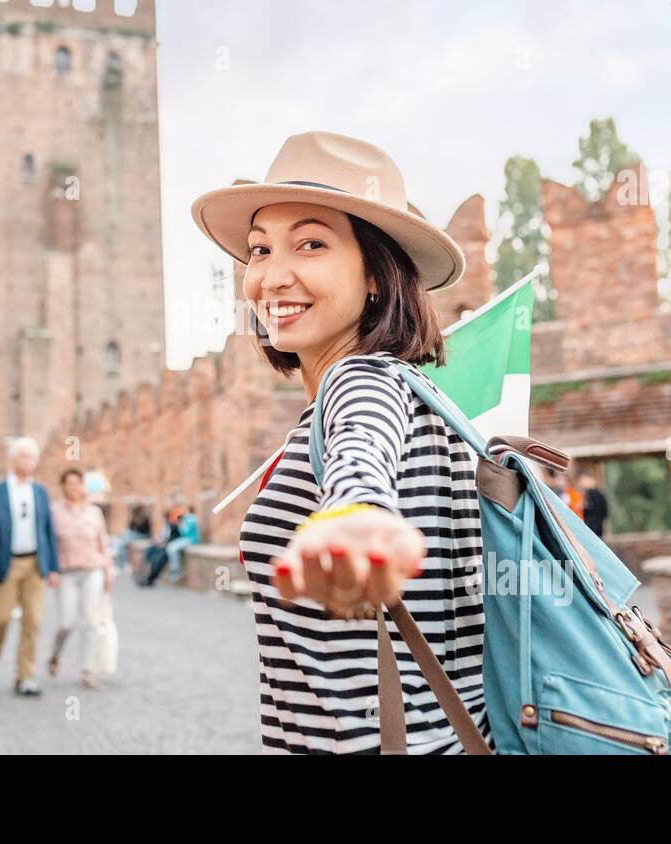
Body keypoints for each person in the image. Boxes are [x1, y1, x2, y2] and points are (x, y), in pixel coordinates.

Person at [190, 130, 494, 753]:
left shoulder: (361, 382)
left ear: (377, 276)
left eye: (311, 243)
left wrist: (355, 514)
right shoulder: (417, 394)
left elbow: (363, 455)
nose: (271, 276)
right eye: (259, 250)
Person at [0, 436, 61, 697]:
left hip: (35, 563)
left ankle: (24, 676)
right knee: (0, 618)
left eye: (33, 458)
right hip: (7, 564)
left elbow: (48, 531)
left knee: (33, 621)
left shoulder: (41, 492)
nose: (29, 462)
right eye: (24, 457)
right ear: (13, 459)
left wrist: (53, 567)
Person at [46, 468, 115, 689]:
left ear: (83, 486)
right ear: (63, 486)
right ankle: (55, 654)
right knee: (66, 622)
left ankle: (88, 670)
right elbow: (49, 543)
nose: (74, 488)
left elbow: (103, 544)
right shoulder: (54, 511)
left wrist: (108, 573)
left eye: (78, 483)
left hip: (92, 569)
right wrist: (51, 570)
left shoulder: (94, 512)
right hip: (67, 571)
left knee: (91, 622)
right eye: (69, 483)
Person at [111, 503, 151, 572]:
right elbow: (131, 528)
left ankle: (119, 559)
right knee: (122, 537)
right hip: (134, 535)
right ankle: (117, 554)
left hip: (142, 535)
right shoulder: (135, 518)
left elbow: (144, 530)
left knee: (125, 536)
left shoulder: (145, 518)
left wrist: (139, 522)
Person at [165, 504, 200, 582]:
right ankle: (174, 569)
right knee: (170, 547)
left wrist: (180, 524)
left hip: (191, 540)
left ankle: (176, 571)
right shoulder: (186, 519)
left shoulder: (192, 519)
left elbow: (186, 532)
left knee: (172, 549)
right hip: (185, 539)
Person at [579, 472, 609, 539]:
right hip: (597, 526)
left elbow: (588, 509)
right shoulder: (600, 494)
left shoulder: (592, 493)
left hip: (591, 526)